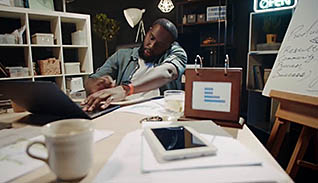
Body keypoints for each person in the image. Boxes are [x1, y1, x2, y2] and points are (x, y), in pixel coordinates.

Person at [82, 18, 187, 111]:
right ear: (148, 31)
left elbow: (168, 72)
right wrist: (97, 85)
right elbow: (91, 81)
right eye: (152, 38)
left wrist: (126, 89)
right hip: (123, 111)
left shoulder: (176, 53)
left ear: (169, 46)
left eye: (160, 45)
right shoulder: (122, 55)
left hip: (159, 114)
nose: (152, 45)